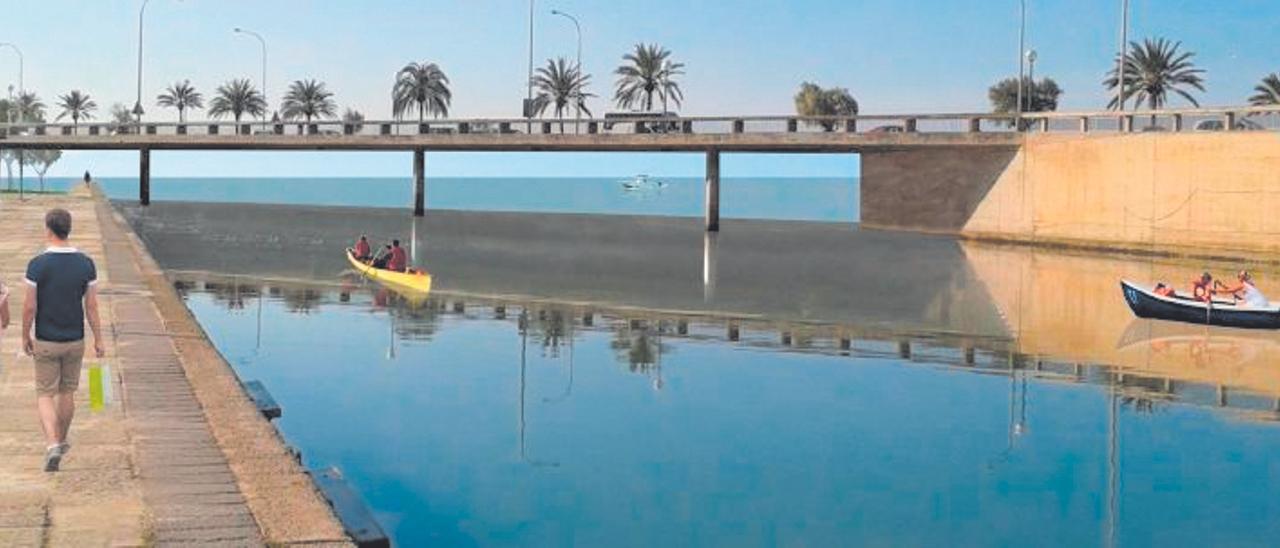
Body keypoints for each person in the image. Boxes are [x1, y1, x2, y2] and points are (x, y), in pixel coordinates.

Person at [21, 208, 104, 472]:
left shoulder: (37, 265)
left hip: (46, 339)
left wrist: (25, 335)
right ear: (68, 229)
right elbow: (91, 306)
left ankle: (51, 443)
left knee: (45, 393)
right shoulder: (86, 264)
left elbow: (29, 307)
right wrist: (99, 339)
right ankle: (62, 439)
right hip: (75, 339)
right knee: (67, 392)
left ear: (48, 229)